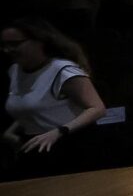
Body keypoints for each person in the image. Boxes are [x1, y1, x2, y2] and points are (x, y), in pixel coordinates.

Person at [2, 17, 108, 168]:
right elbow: (33, 109)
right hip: (37, 146)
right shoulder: (15, 71)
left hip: (71, 146)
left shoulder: (63, 70)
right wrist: (10, 133)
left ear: (39, 41)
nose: (8, 50)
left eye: (15, 44)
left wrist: (58, 132)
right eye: (4, 45)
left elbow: (97, 108)